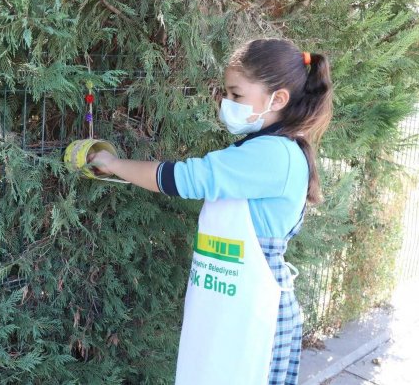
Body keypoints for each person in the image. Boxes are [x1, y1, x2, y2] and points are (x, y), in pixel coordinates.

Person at [88, 38, 334, 385]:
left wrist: (112, 163)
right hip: (231, 307)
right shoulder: (263, 148)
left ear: (277, 99)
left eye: (236, 94)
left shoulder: (272, 154)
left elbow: (183, 179)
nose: (226, 102)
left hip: (255, 315)